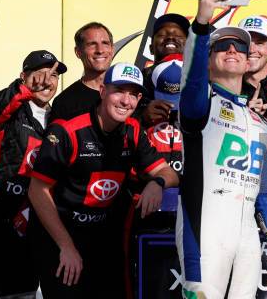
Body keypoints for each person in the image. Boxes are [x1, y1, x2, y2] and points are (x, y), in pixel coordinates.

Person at [28, 62, 178, 298]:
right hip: (60, 236)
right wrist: (66, 247)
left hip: (101, 239)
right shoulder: (67, 132)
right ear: (103, 92)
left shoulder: (133, 131)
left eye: (133, 94)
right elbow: (37, 191)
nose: (125, 101)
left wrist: (156, 183)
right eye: (119, 91)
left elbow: (168, 173)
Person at [177, 0, 267, 298]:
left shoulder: (258, 121)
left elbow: (266, 188)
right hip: (205, 230)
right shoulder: (200, 104)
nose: (232, 51)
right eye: (222, 46)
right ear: (209, 59)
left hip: (247, 236)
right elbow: (192, 76)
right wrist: (202, 23)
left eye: (239, 48)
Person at [0, 50, 67, 298]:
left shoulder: (60, 118)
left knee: (20, 291)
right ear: (23, 76)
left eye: (54, 75)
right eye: (40, 74)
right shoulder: (10, 106)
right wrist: (22, 90)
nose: (47, 81)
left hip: (28, 217)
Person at [50, 22, 114, 121]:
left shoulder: (129, 95)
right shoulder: (64, 102)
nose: (100, 50)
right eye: (92, 44)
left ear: (112, 49)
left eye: (105, 43)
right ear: (78, 52)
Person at [138, 13, 189, 127]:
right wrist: (141, 117)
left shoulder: (202, 82)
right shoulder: (137, 81)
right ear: (151, 48)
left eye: (179, 36)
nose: (171, 37)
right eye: (162, 34)